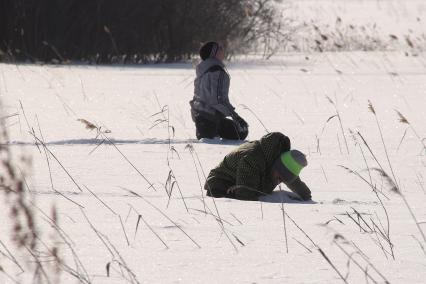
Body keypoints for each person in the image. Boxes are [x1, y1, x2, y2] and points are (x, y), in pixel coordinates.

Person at [204, 132, 312, 201]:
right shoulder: (253, 158)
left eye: (283, 180)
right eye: (280, 178)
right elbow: (245, 195)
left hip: (243, 181)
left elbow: (292, 181)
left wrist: (306, 196)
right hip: (219, 184)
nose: (279, 181)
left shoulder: (279, 159)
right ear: (277, 167)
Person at [190, 41, 248, 140]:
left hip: (201, 117)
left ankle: (210, 132)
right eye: (219, 48)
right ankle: (212, 135)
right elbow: (217, 100)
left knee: (240, 132)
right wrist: (236, 117)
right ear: (214, 53)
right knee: (242, 132)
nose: (222, 49)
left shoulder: (203, 69)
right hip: (209, 120)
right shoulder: (217, 71)